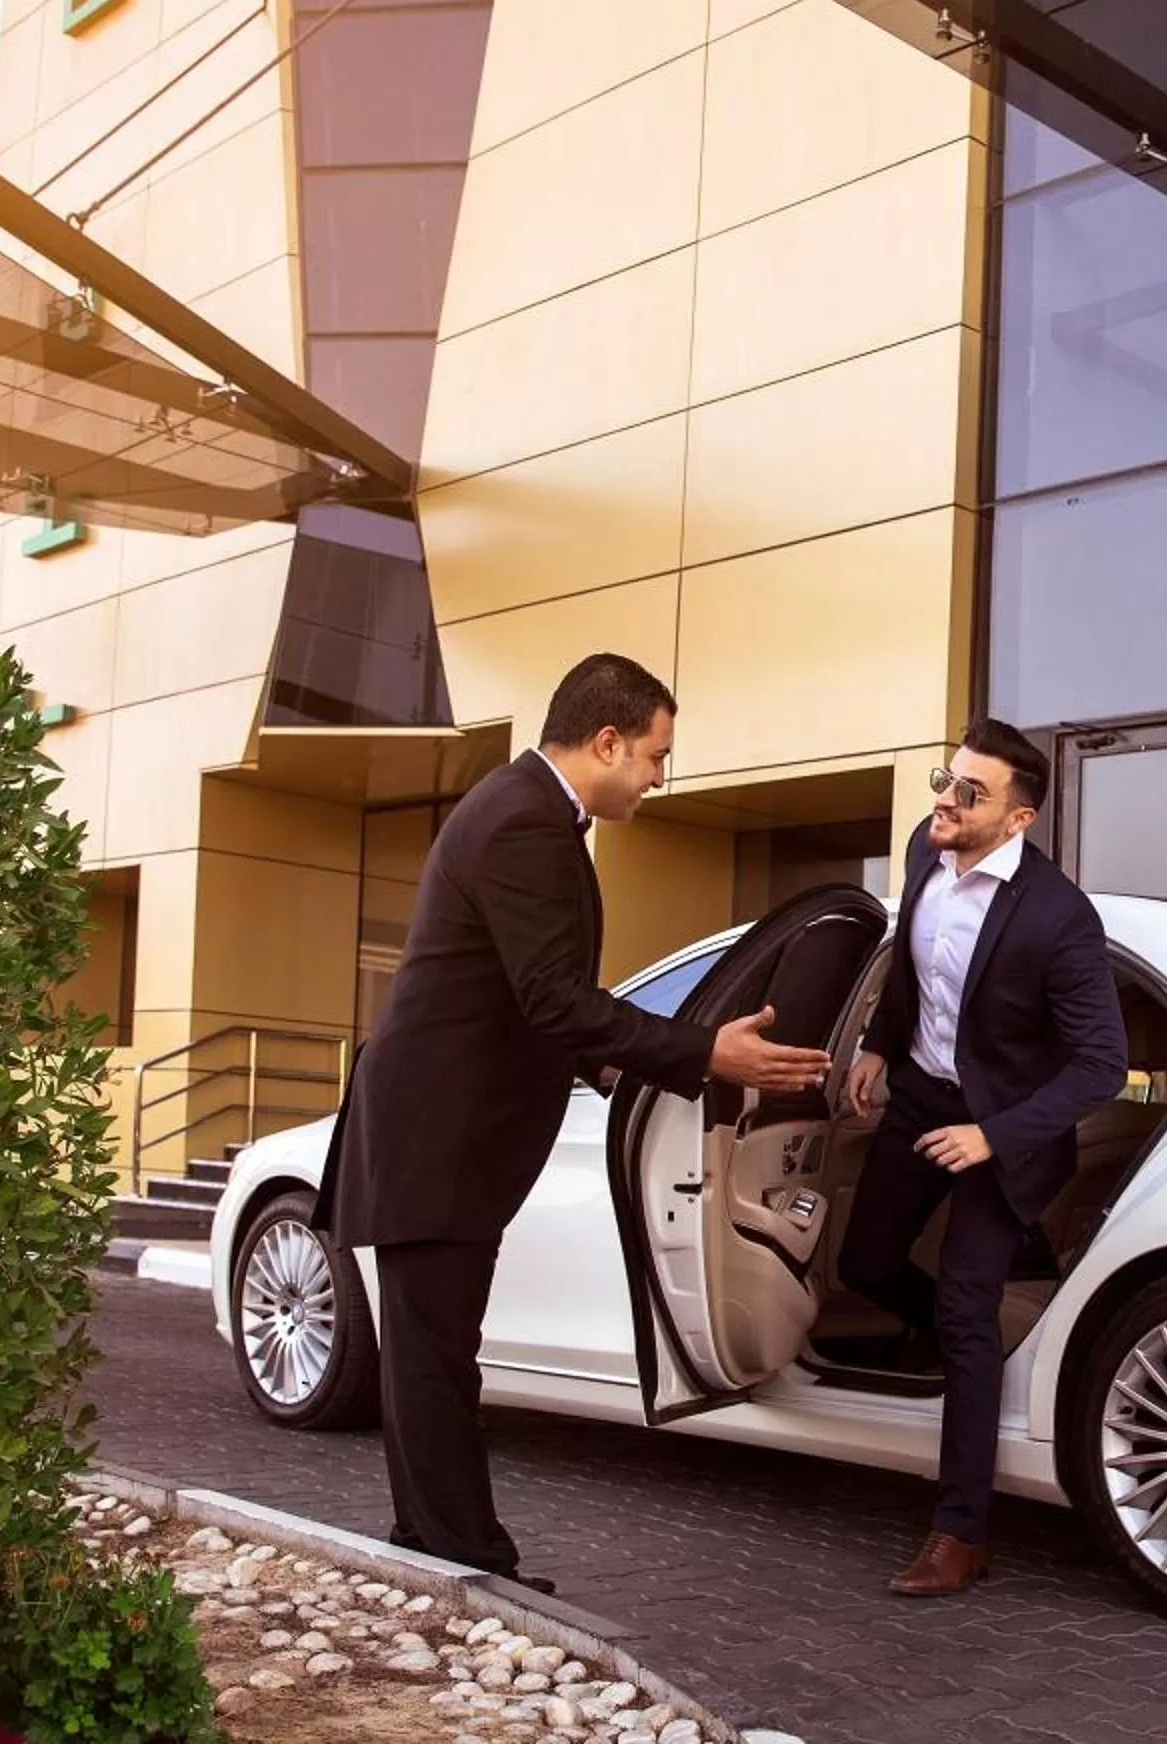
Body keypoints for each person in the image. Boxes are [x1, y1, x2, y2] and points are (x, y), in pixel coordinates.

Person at [315, 653, 830, 1588]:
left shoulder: (527, 810)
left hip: (438, 1131)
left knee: (429, 1356)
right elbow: (553, 997)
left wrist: (620, 1066)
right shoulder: (525, 824)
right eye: (655, 753)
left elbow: (532, 1000)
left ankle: (430, 1545)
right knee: (435, 1359)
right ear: (607, 740)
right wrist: (703, 1051)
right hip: (438, 1136)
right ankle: (471, 1561)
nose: (661, 774)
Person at [836, 719, 1128, 1597]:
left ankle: (958, 1534)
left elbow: (1102, 1066)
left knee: (967, 1309)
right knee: (863, 1263)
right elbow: (910, 976)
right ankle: (968, 1357)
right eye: (944, 780)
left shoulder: (1059, 918)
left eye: (970, 793)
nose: (945, 802)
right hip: (920, 1100)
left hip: (1005, 1133)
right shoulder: (925, 860)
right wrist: (879, 1047)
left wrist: (992, 1137)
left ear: (1018, 818)